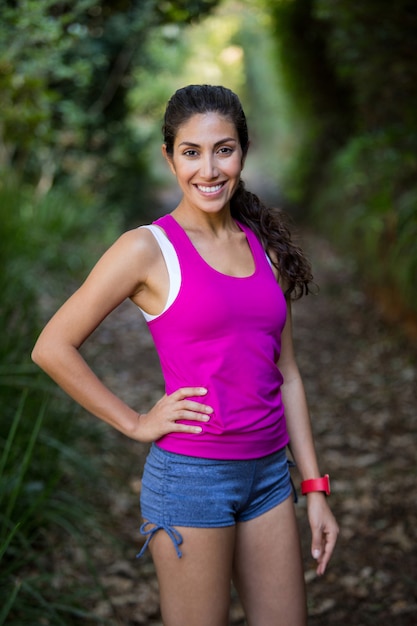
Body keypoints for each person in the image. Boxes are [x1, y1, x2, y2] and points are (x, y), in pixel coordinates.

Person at [32, 84, 339, 626]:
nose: (209, 169)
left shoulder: (264, 247)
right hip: (193, 480)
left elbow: (287, 374)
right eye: (191, 152)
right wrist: (134, 421)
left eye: (224, 149)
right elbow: (52, 346)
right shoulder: (147, 249)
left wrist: (314, 488)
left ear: (244, 151)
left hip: (270, 476)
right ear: (169, 157)